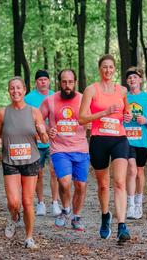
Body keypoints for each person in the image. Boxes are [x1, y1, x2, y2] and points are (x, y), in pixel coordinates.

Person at [79, 54, 132, 243]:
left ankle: (122, 227)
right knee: (103, 185)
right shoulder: (91, 90)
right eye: (104, 67)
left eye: (111, 67)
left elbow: (127, 111)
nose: (108, 70)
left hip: (119, 139)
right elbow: (82, 118)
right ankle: (105, 216)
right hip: (99, 140)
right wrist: (103, 112)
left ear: (114, 69)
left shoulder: (122, 91)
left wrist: (127, 116)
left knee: (119, 183)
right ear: (99, 69)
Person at [0, 76, 48, 249]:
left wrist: (42, 131)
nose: (15, 91)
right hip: (10, 161)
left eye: (19, 88)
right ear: (8, 91)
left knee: (27, 202)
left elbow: (44, 139)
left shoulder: (34, 112)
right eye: (12, 88)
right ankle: (14, 217)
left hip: (31, 161)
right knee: (13, 203)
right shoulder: (3, 113)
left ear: (24, 90)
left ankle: (29, 237)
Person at [40, 69, 89, 231]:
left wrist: (90, 123)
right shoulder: (50, 100)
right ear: (59, 83)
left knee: (81, 186)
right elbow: (38, 119)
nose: (67, 85)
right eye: (64, 82)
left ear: (75, 82)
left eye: (70, 82)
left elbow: (94, 117)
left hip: (81, 148)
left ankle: (76, 216)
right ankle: (66, 208)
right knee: (65, 182)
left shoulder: (84, 99)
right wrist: (47, 129)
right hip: (59, 149)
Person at [24, 70, 61, 217]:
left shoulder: (55, 96)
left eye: (45, 79)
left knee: (54, 172)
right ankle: (40, 203)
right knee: (38, 173)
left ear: (49, 81)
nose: (43, 82)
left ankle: (55, 203)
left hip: (54, 141)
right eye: (40, 80)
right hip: (36, 142)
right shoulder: (28, 98)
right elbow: (25, 119)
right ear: (36, 82)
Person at [124, 67, 147, 219]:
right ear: (127, 81)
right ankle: (130, 205)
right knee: (131, 169)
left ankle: (139, 203)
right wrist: (123, 118)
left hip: (143, 140)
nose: (132, 80)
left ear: (140, 80)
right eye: (130, 78)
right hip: (126, 139)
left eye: (135, 77)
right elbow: (117, 115)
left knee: (139, 171)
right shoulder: (123, 97)